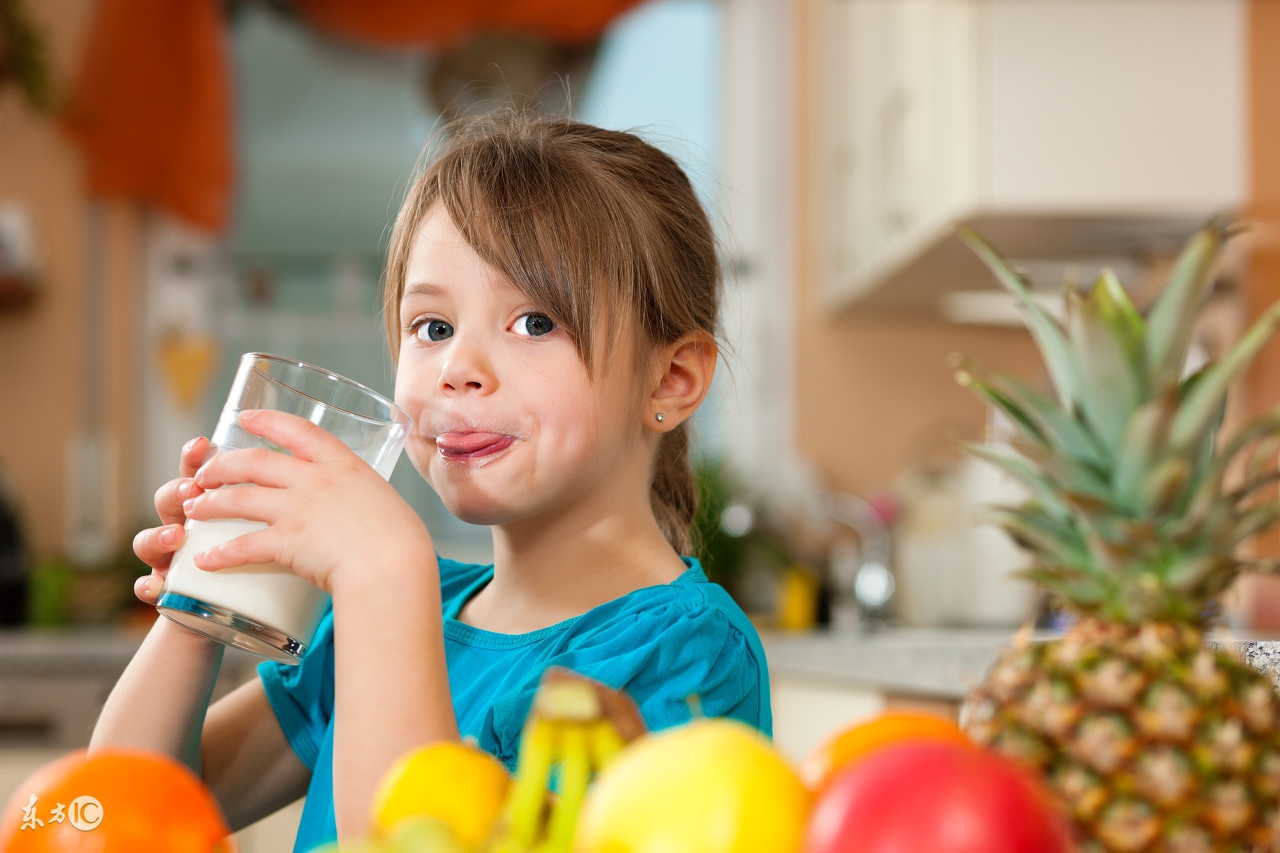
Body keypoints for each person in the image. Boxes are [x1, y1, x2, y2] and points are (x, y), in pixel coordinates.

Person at [90, 110, 771, 852]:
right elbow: (115, 817)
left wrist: (382, 572)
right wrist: (199, 610)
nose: (457, 369)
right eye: (433, 327)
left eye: (535, 322)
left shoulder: (692, 656)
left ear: (670, 378)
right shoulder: (398, 616)